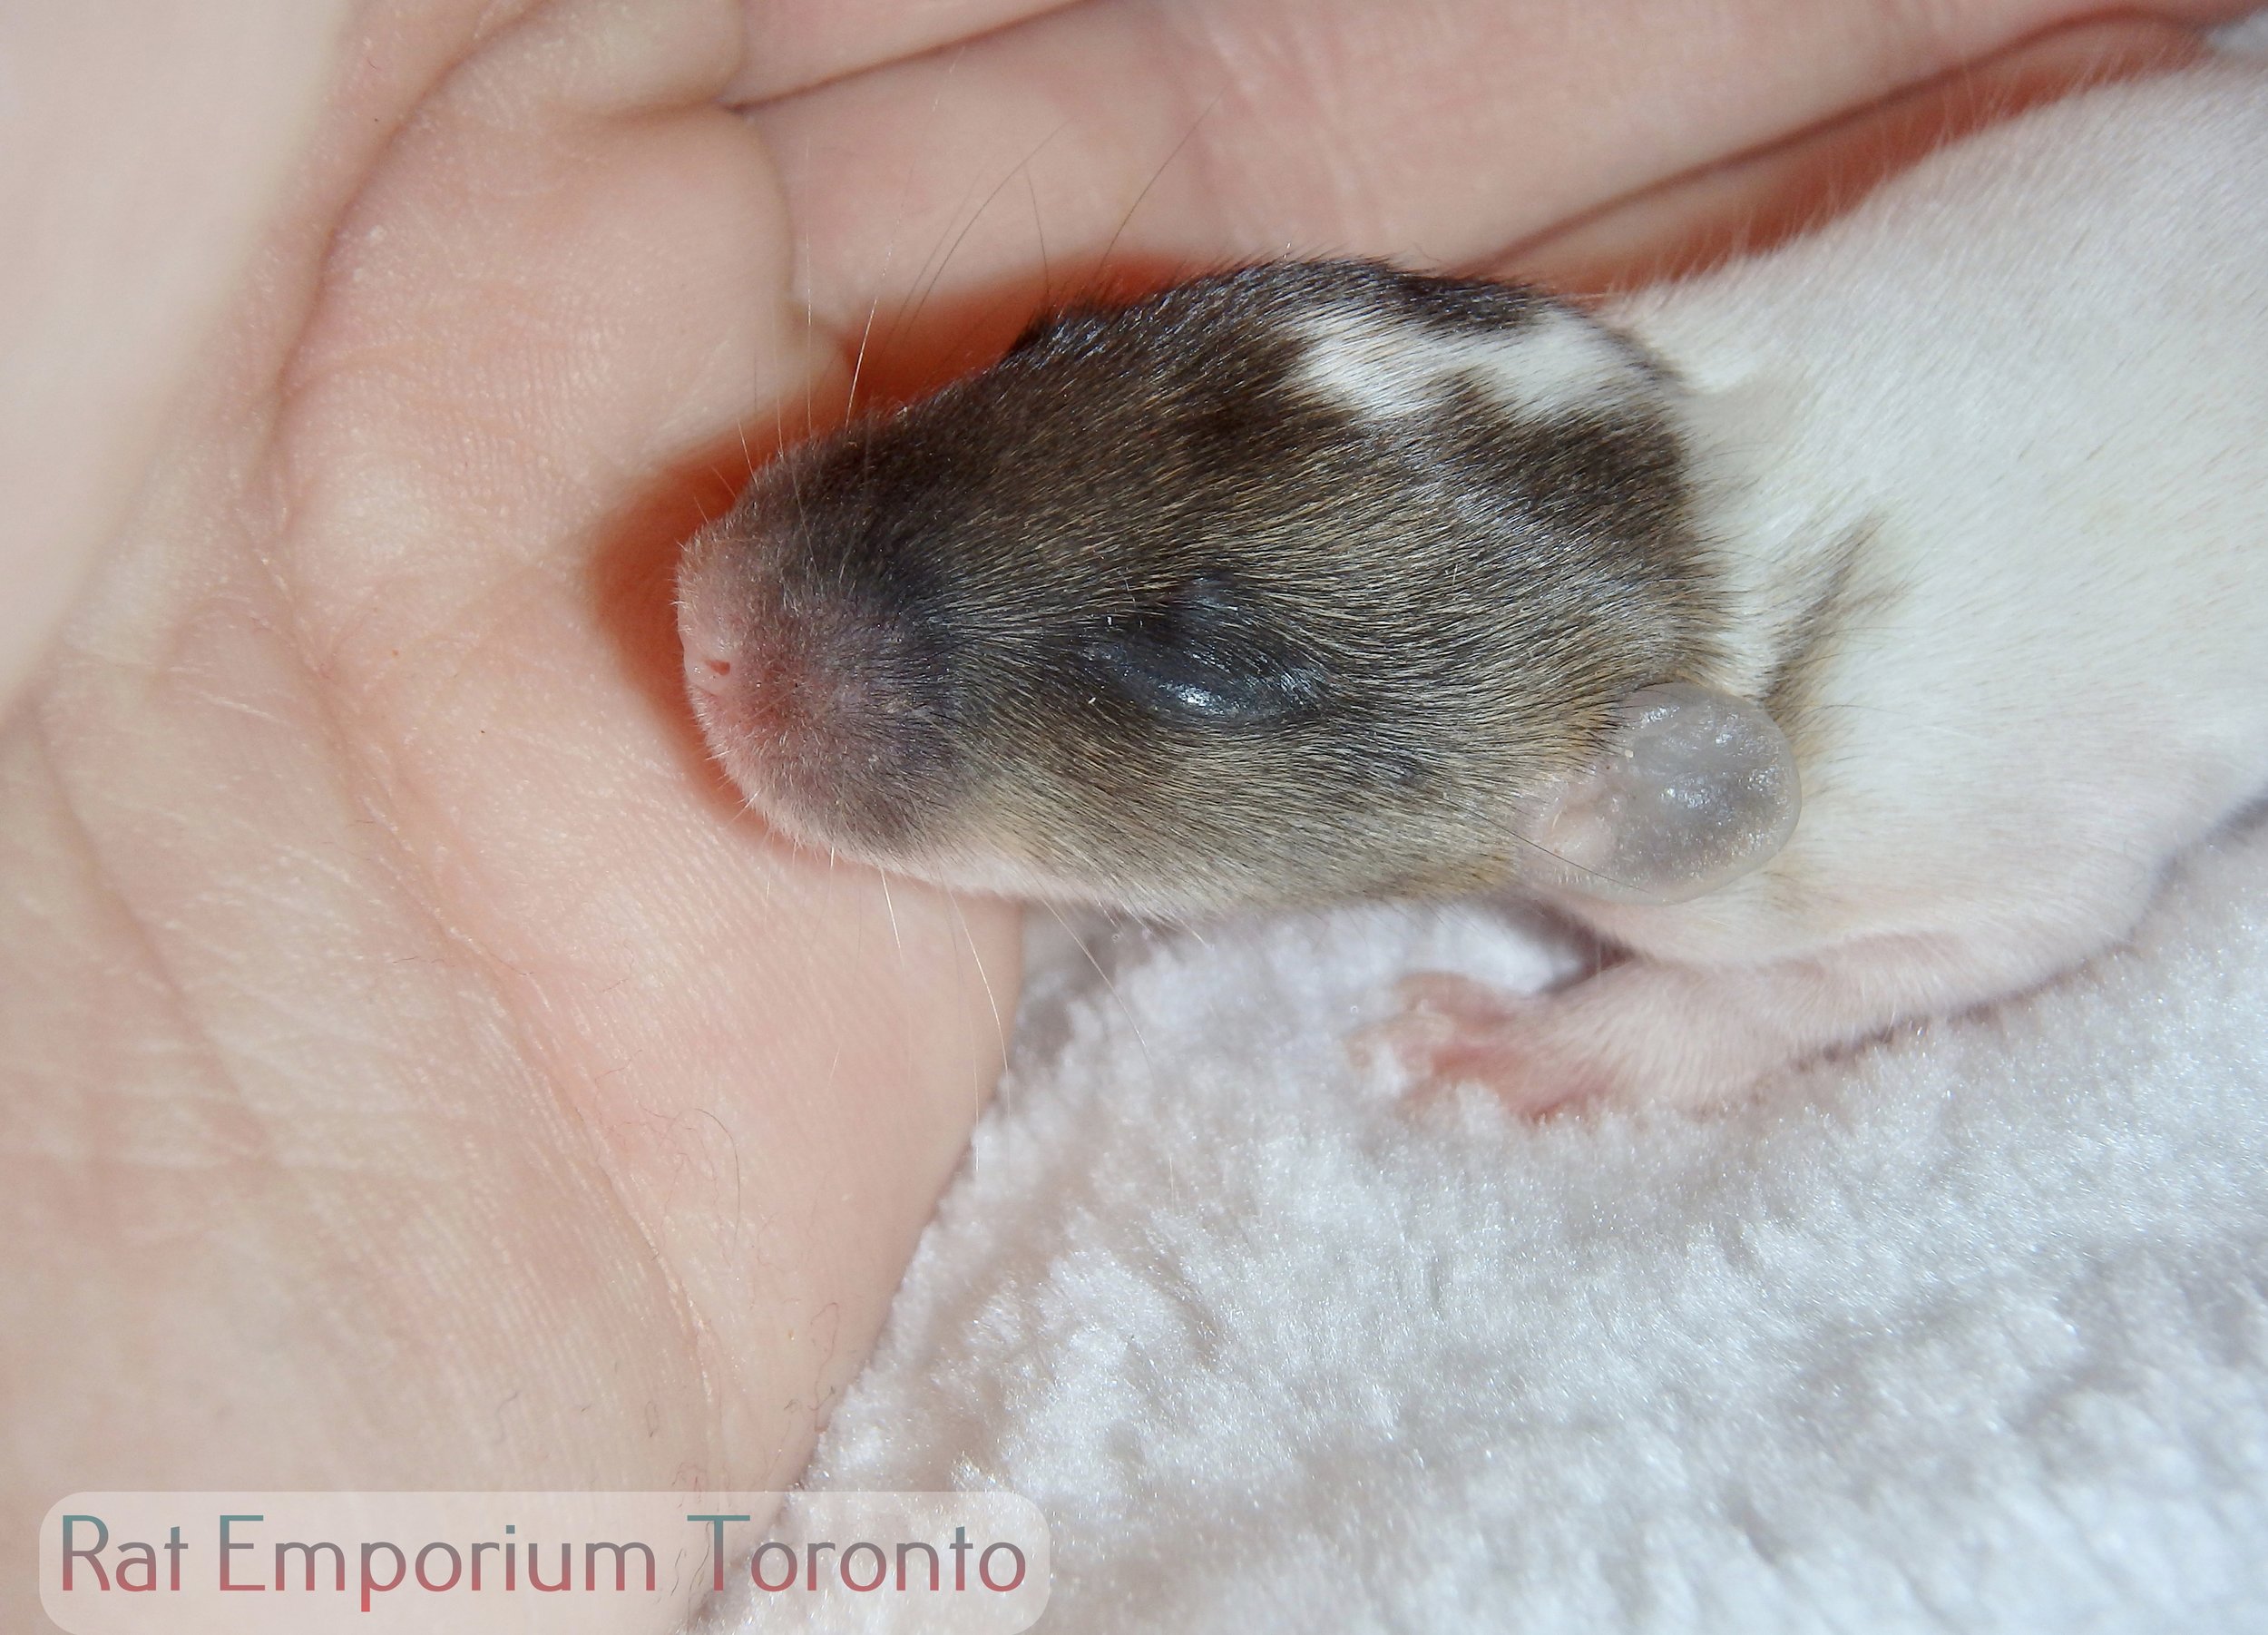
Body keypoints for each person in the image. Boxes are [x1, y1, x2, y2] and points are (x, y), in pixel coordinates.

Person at [0, 0, 2242, 1624]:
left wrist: (1684, 1029)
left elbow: (2020, 901)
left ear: (1631, 806)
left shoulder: (1874, 806)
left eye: (1183, 661)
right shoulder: (1594, 524)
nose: (731, 604)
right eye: (1050, 354)